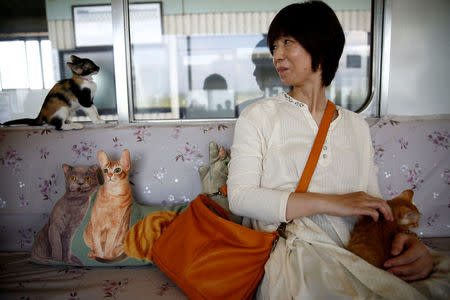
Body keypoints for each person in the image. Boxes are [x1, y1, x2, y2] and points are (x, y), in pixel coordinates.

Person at [227, 2, 448, 299]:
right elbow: (241, 198)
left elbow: (375, 206)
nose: (277, 54)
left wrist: (406, 242)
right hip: (297, 253)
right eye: (275, 45)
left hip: (358, 249)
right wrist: (333, 203)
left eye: (288, 42)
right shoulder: (258, 117)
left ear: (320, 45)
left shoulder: (357, 126)